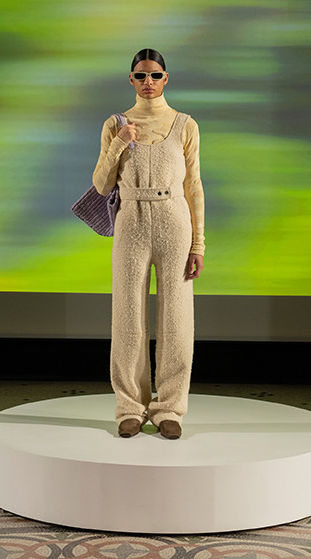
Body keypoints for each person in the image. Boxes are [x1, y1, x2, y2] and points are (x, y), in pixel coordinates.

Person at [92, 48, 205, 439]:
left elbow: (194, 186)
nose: (148, 82)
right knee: (127, 317)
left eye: (155, 75)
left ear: (165, 78)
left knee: (177, 318)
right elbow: (101, 185)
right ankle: (129, 407)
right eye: (141, 75)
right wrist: (120, 143)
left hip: (175, 221)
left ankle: (170, 408)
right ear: (131, 79)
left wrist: (199, 244)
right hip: (132, 221)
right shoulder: (116, 124)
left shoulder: (185, 124)